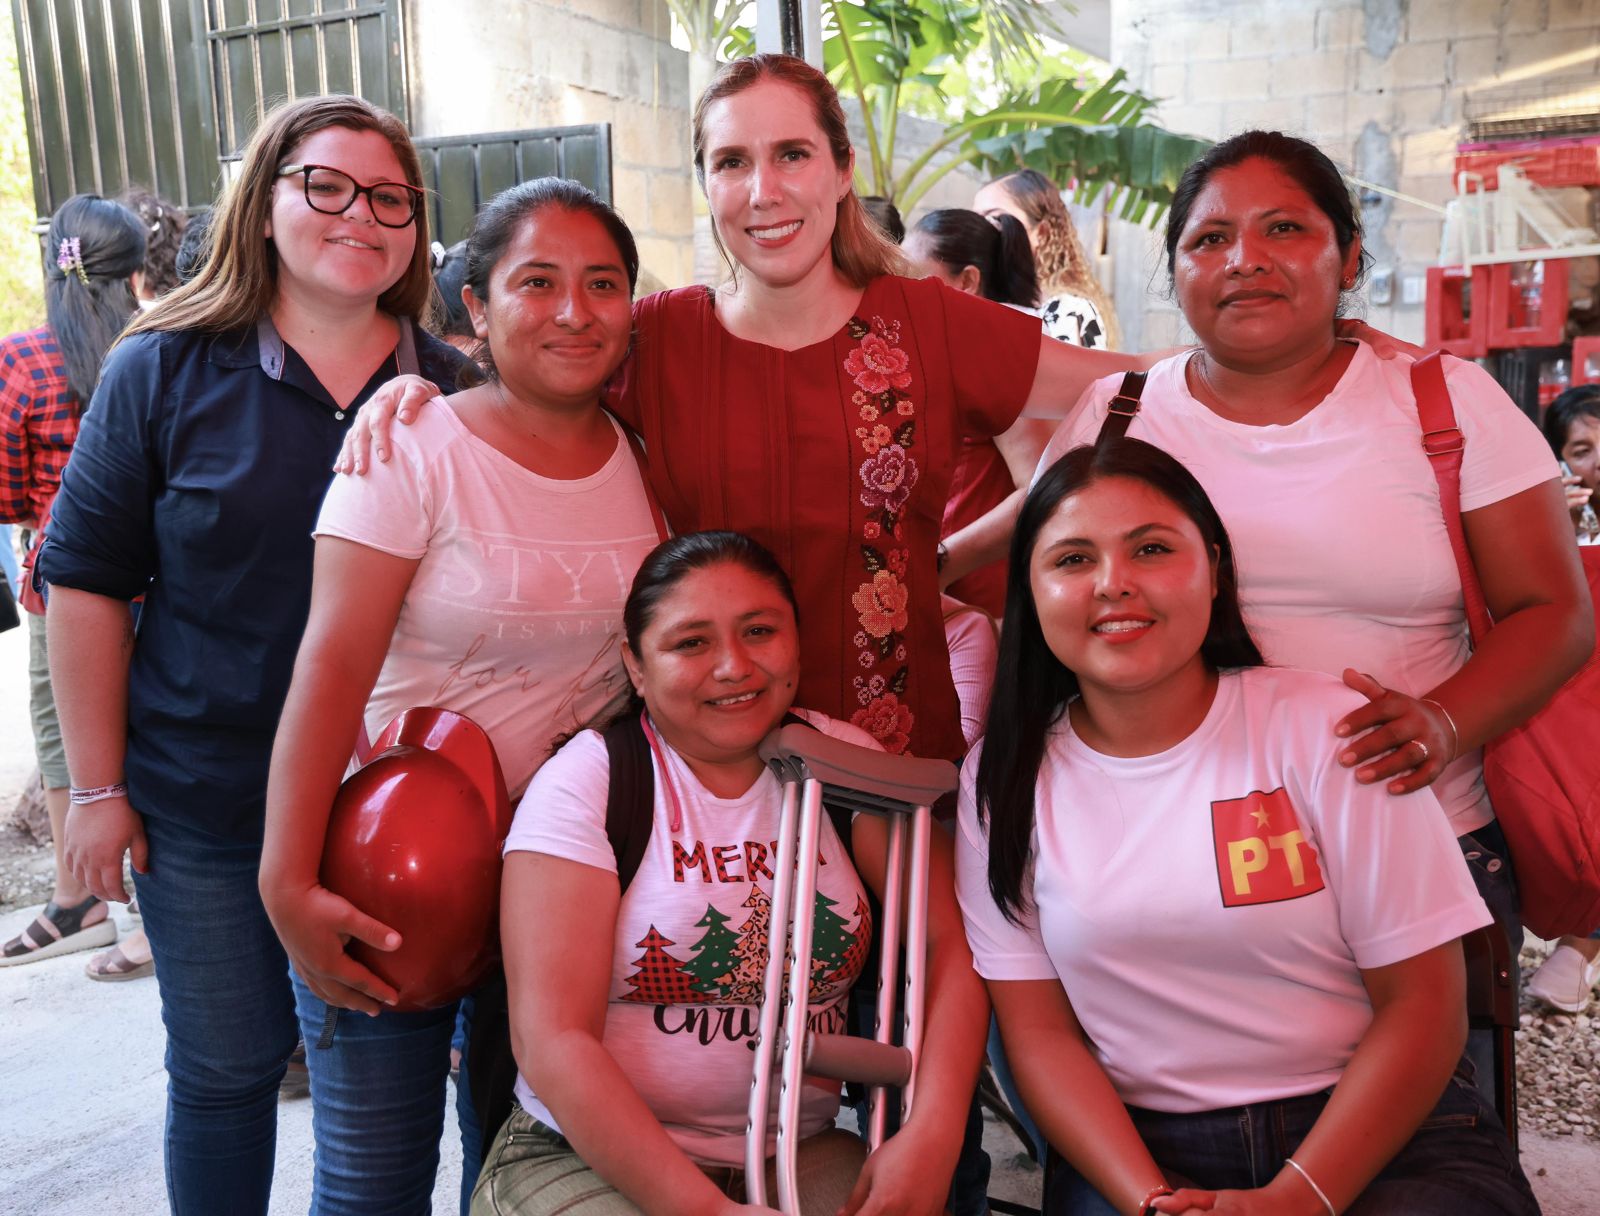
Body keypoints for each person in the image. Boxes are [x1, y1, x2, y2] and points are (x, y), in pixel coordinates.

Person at [342, 52, 1154, 767]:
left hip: (895, 765)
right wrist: (421, 392)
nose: (763, 191)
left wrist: (954, 554)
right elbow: (533, 386)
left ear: (841, 171)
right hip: (704, 775)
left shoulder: (928, 323)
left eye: (792, 155)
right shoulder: (658, 336)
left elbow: (1129, 386)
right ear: (706, 183)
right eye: (732, 161)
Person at [1035, 132, 1593, 1037]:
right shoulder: (1121, 414)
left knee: (1426, 1124)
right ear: (1174, 270)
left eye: (1284, 228)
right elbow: (1044, 551)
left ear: (1349, 258)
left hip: (1416, 837)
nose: (1243, 260)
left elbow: (1555, 613)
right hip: (1167, 851)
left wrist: (1442, 723)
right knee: (1188, 1114)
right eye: (1209, 239)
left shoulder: (1444, 402)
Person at [36, 94, 463, 1214]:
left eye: (389, 197)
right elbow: (82, 583)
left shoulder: (455, 392)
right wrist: (97, 787)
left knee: (374, 1111)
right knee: (225, 1076)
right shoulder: (163, 367)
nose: (358, 215)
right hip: (204, 806)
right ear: (264, 200)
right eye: (324, 184)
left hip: (394, 815)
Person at [956, 437, 1540, 1215]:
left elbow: (1424, 1008)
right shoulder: (1002, 779)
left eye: (1152, 549)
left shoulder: (1327, 728)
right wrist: (1154, 1202)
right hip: (1139, 1151)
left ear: (1217, 569)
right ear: (1029, 592)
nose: (1114, 585)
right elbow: (1042, 1041)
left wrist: (1300, 1198)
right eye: (1071, 560)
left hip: (1380, 1129)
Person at [261, 177, 663, 1213]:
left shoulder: (647, 457)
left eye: (602, 283)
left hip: (568, 887)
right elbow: (329, 667)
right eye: (537, 282)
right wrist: (285, 882)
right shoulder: (408, 447)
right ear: (476, 308)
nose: (574, 311)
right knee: (372, 1177)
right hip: (399, 866)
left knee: (521, 1163)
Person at [476, 530, 987, 1216]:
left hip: (793, 1149)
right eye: (691, 643)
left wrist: (932, 1134)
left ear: (796, 642)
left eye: (759, 631)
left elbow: (950, 948)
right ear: (636, 664)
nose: (733, 666)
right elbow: (552, 1040)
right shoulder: (591, 783)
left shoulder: (845, 763)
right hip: (583, 1155)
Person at [0, 193, 146, 968]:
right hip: (162, 579)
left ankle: (78, 897)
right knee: (157, 737)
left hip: (60, 582)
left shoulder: (20, 359)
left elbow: (6, 491)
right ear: (134, 269)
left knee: (66, 739)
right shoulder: (162, 347)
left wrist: (52, 513)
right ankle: (159, 915)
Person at [903, 206, 1057, 618]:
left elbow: (1041, 487)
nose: (899, 295)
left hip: (985, 601)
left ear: (968, 281)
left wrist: (944, 561)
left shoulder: (1000, 357)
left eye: (912, 280)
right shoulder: (939, 354)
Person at [1525, 382, 1600, 1012]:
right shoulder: (1559, 526)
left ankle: (1576, 953)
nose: (1598, 461)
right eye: (1582, 449)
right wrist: (1561, 532)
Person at [973, 168, 1118, 349]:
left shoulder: (1067, 310)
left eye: (994, 218)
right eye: (975, 219)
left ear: (1041, 233)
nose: (979, 229)